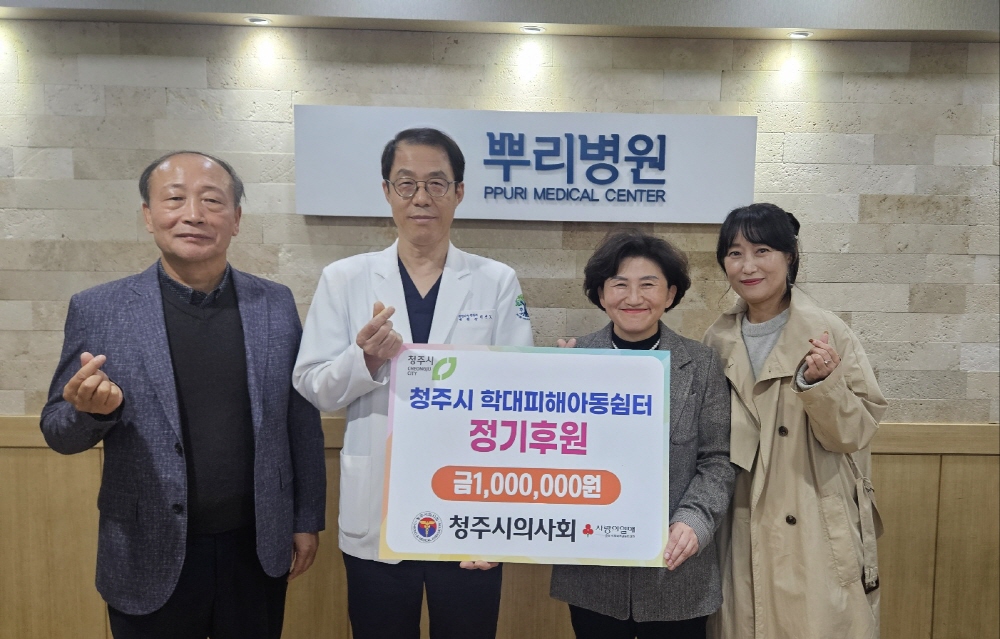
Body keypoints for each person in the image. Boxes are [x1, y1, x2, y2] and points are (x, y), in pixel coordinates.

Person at [40, 151, 326, 639]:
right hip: (146, 548)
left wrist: (305, 518)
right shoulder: (100, 308)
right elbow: (57, 430)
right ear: (148, 215)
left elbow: (300, 421)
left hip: (255, 547)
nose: (193, 214)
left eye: (212, 201)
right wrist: (90, 413)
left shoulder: (274, 303)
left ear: (236, 219)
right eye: (174, 199)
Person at [293, 127, 534, 639]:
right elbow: (313, 385)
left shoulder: (496, 281)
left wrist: (502, 518)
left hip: (469, 508)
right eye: (406, 184)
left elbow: (519, 398)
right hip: (377, 506)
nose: (421, 197)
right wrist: (365, 359)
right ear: (387, 191)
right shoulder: (345, 278)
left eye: (436, 184)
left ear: (459, 192)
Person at [703, 203, 887, 639]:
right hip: (741, 519)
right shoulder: (717, 337)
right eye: (734, 253)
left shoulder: (826, 331)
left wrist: (820, 386)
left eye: (762, 250)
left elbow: (855, 433)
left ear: (790, 255)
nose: (748, 266)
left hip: (813, 518)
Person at [549, 230, 735, 639]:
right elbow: (548, 455)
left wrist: (694, 521)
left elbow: (717, 461)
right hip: (593, 574)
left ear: (670, 294)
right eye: (619, 284)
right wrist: (557, 381)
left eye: (648, 284)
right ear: (601, 294)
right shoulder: (572, 360)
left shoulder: (702, 364)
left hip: (677, 573)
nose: (634, 298)